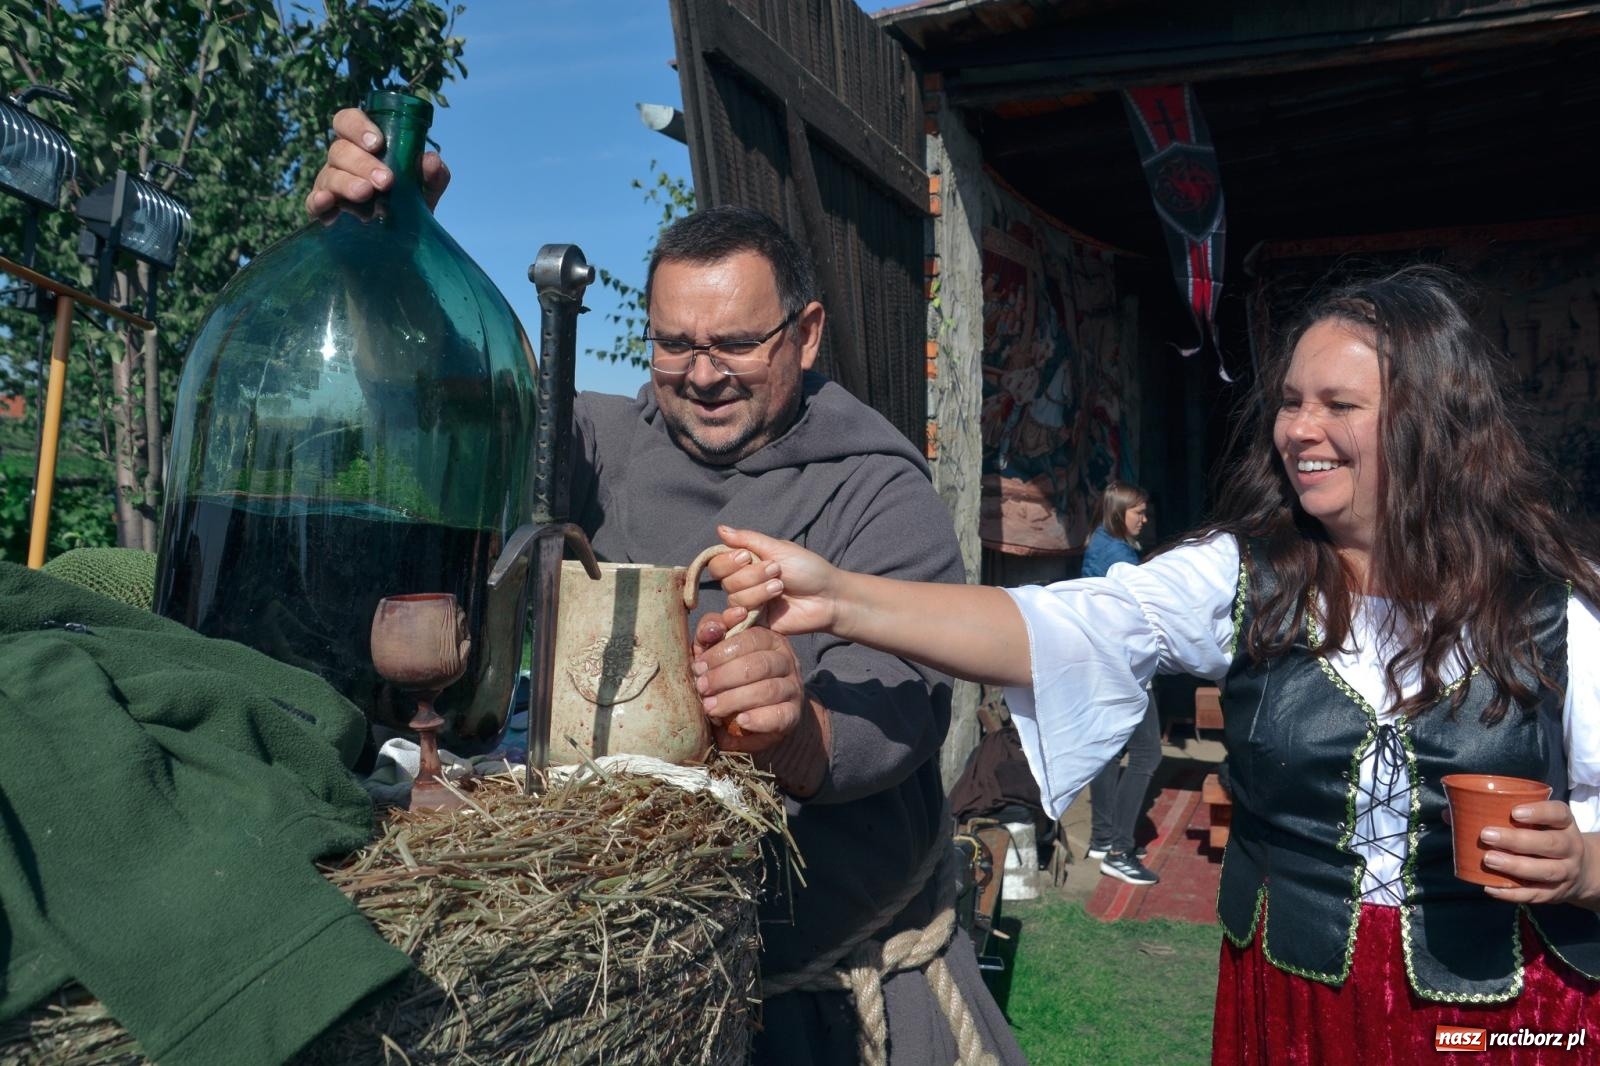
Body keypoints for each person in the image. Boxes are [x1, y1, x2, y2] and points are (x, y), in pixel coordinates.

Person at [707, 265, 1600, 1063]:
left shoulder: (1554, 611)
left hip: (1498, 1022)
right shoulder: (1247, 575)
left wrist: (1583, 869)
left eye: (1339, 404)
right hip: (1291, 1009)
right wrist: (843, 598)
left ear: (1432, 423)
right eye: (1291, 401)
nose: (1300, 429)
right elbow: (1052, 627)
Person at [309, 112, 1026, 1066]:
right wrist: (389, 256)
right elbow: (440, 400)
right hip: (629, 989)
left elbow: (906, 704)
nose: (700, 375)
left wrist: (800, 732)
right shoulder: (596, 446)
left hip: (831, 999)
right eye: (672, 344)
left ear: (806, 334)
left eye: (734, 343)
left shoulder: (879, 489)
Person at [1080, 481, 1163, 886]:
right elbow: (1132, 613)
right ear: (1118, 513)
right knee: (1147, 753)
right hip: (1123, 664)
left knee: (1111, 751)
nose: (1144, 519)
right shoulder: (1118, 556)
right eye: (1138, 513)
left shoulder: (1102, 543)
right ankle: (1118, 848)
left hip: (1104, 661)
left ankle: (1102, 837)